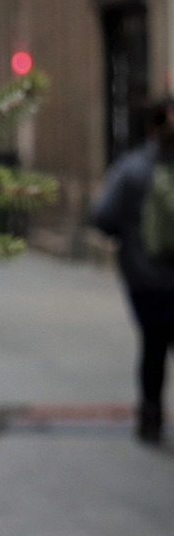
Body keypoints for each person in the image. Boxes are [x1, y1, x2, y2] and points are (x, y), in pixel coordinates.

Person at [91, 98, 174, 443]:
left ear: (148, 128)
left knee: (153, 348)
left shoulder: (131, 167)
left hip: (146, 279)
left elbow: (102, 217)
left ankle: (150, 416)